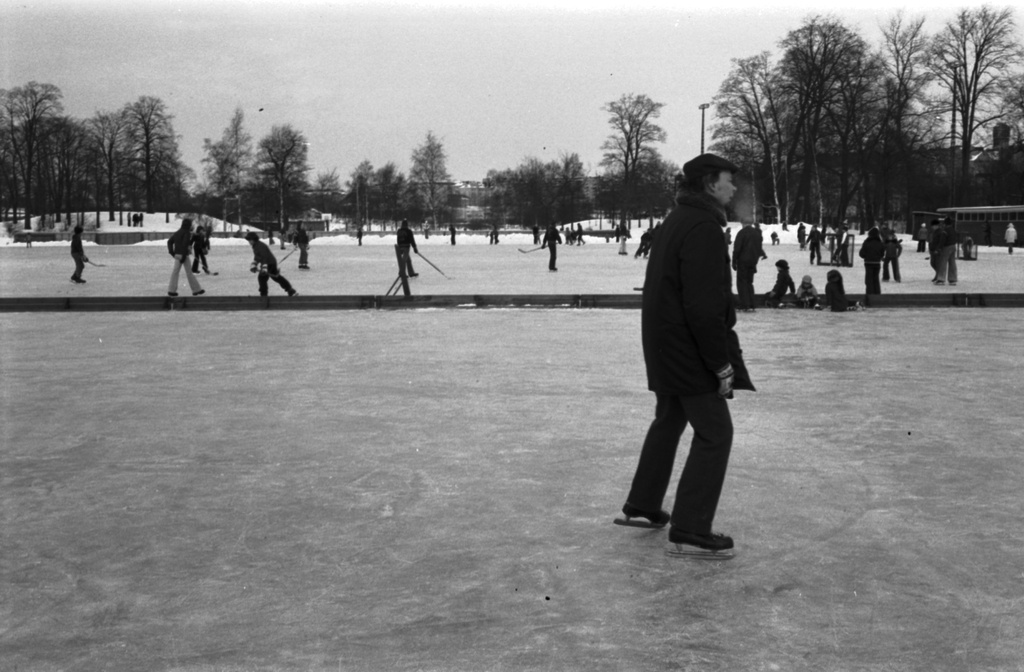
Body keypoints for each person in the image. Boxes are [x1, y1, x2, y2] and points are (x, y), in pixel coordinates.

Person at [618, 153, 754, 557]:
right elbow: (704, 307)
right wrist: (720, 363)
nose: (733, 188)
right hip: (687, 350)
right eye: (728, 180)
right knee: (716, 433)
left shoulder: (677, 219)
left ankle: (643, 504)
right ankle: (691, 527)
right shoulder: (703, 228)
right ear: (710, 184)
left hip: (664, 344)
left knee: (670, 419)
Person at [245, 232, 297, 296]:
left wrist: (264, 268)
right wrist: (254, 264)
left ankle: (264, 294)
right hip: (269, 263)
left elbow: (264, 257)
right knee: (276, 277)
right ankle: (290, 289)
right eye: (248, 240)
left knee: (263, 278)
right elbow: (258, 257)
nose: (249, 242)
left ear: (254, 239)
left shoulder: (260, 246)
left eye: (250, 240)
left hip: (270, 263)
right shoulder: (256, 245)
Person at [732, 220, 767, 312]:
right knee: (749, 282)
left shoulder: (742, 233)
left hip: (743, 261)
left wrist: (734, 261)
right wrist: (756, 259)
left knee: (742, 282)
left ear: (743, 224)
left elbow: (737, 248)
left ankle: (744, 304)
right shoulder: (757, 233)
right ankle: (752, 303)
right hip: (753, 261)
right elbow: (759, 248)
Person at [167, 218, 205, 297]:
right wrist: (184, 256)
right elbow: (184, 245)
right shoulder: (187, 233)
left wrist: (172, 253)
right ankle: (196, 289)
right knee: (189, 273)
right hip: (184, 256)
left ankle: (171, 290)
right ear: (188, 225)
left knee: (175, 272)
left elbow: (169, 242)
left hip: (177, 255)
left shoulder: (177, 232)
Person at [859, 227, 885, 295]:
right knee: (876, 280)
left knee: (869, 280)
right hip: (877, 263)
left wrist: (866, 256)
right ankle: (877, 294)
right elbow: (882, 253)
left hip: (868, 263)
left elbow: (861, 253)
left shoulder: (866, 242)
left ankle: (870, 294)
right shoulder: (880, 242)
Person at [935, 218, 958, 286]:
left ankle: (941, 279)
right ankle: (953, 279)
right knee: (952, 263)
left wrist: (938, 248)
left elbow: (942, 240)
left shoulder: (945, 231)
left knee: (943, 262)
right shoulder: (953, 230)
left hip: (946, 247)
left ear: (945, 224)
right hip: (953, 246)